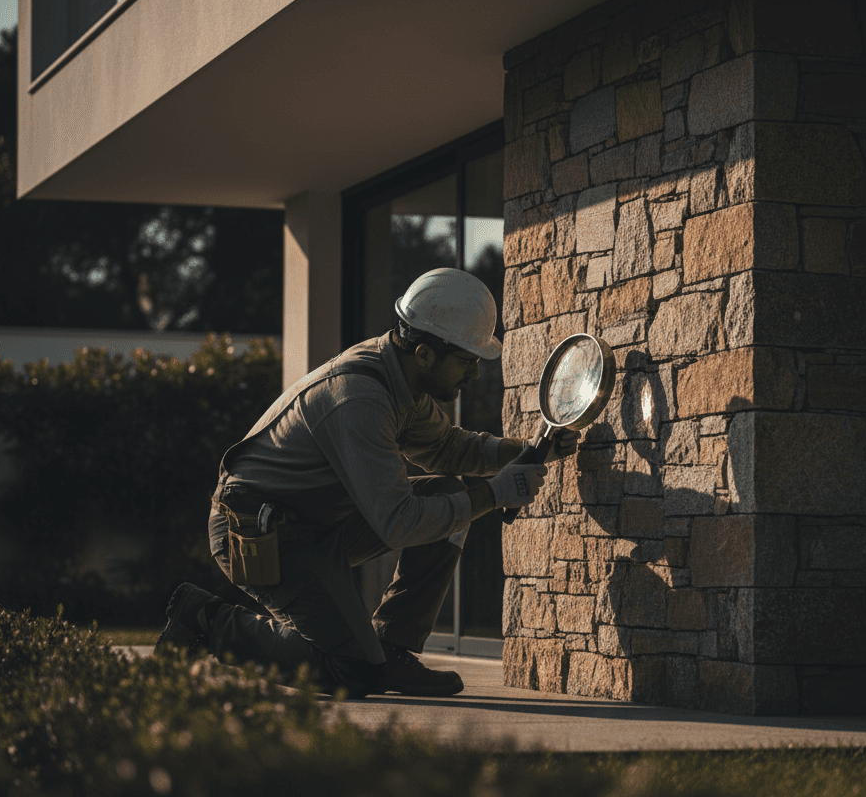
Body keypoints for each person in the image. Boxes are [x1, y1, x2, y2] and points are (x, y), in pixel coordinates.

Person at [155, 267, 579, 698]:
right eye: (468, 361)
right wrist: (494, 494)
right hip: (256, 530)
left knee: (448, 492)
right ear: (426, 353)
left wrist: (524, 449)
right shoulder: (360, 398)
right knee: (354, 671)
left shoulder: (401, 378)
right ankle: (207, 621)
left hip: (314, 525)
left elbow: (447, 448)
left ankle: (392, 649)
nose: (473, 374)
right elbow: (398, 523)